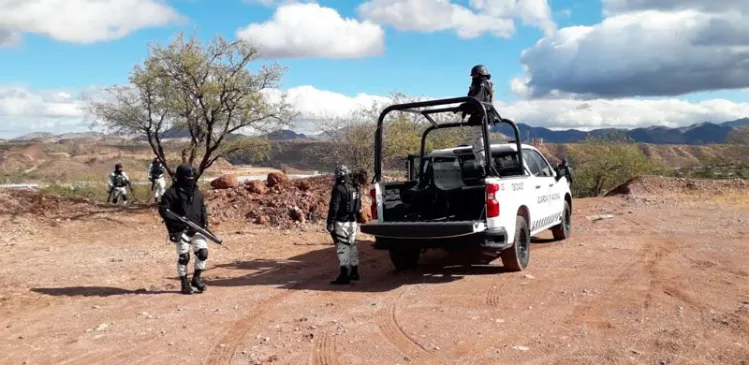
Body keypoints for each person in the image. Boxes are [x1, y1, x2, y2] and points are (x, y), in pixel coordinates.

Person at [158, 164, 209, 295]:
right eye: (188, 177)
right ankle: (184, 283)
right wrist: (179, 221)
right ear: (181, 177)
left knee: (203, 253)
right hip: (180, 230)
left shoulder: (197, 192)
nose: (191, 179)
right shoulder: (171, 193)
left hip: (197, 229)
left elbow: (202, 208)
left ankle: (196, 279)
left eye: (192, 176)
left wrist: (204, 223)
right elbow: (164, 210)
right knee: (184, 257)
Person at [326, 165, 361, 285]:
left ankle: (344, 275)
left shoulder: (338, 188)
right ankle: (355, 272)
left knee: (343, 247)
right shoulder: (354, 188)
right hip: (353, 221)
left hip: (342, 222)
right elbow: (358, 206)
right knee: (352, 245)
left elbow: (334, 206)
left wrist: (330, 222)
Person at [461, 64, 495, 172]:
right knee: (477, 145)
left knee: (479, 145)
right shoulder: (479, 85)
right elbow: (473, 101)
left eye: (475, 75)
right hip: (479, 118)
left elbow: (475, 100)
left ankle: (484, 168)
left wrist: (465, 107)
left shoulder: (481, 85)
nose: (473, 77)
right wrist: (465, 109)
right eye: (472, 75)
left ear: (481, 75)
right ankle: (482, 166)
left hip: (481, 119)